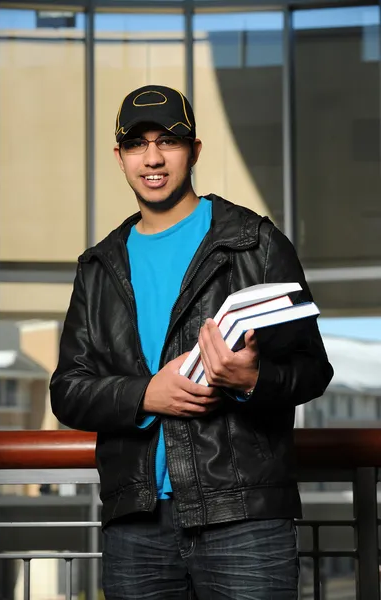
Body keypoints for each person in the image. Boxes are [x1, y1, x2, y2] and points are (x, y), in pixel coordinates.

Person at [50, 84, 333, 600]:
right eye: (137, 144)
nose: (152, 158)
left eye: (169, 141)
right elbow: (67, 390)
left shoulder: (255, 242)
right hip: (135, 521)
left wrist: (251, 380)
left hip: (243, 516)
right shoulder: (99, 266)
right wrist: (143, 396)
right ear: (120, 156)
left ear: (195, 150)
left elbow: (314, 369)